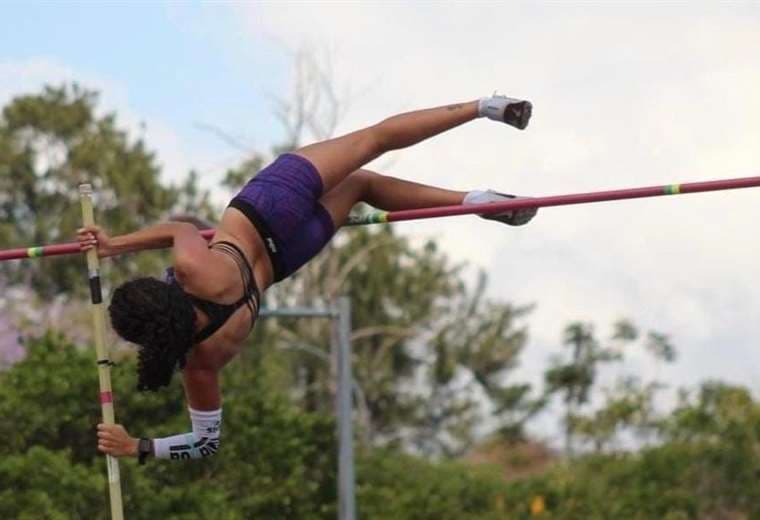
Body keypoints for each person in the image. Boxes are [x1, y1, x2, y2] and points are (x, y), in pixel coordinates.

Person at [80, 94, 537, 463]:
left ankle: (474, 200)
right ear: (159, 293)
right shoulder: (191, 270)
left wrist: (137, 447)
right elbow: (180, 228)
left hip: (285, 259)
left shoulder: (201, 364)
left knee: (362, 186)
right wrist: (114, 244)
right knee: (374, 140)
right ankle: (485, 108)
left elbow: (205, 444)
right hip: (269, 207)